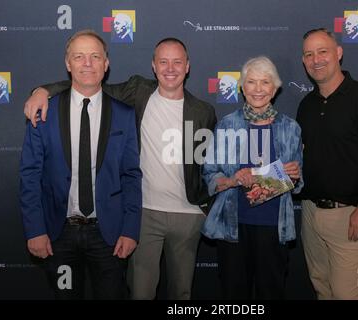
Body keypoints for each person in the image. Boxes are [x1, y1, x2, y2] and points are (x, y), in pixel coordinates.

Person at [24, 37, 216, 300]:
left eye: (177, 62)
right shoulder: (135, 93)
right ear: (153, 65)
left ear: (188, 66)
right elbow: (86, 82)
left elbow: (204, 165)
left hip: (121, 228)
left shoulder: (202, 111)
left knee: (178, 294)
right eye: (163, 62)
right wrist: (41, 90)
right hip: (70, 229)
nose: (170, 68)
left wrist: (206, 205)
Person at [19, 30, 142, 299]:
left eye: (95, 56)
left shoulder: (124, 114)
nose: (87, 63)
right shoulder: (44, 112)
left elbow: (131, 175)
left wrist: (131, 229)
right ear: (68, 63)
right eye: (79, 56)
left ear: (106, 64)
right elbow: (30, 175)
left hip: (108, 235)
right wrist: (35, 229)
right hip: (58, 234)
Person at [296, 28, 358, 300]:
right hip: (311, 212)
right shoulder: (306, 105)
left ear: (339, 53)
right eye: (309, 54)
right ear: (304, 62)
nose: (316, 59)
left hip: (351, 215)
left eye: (323, 51)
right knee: (322, 288)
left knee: (346, 294)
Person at [202, 56, 303, 299]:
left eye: (265, 83)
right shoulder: (228, 125)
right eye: (251, 82)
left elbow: (299, 184)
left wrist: (296, 175)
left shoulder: (291, 128)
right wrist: (234, 179)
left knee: (272, 292)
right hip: (234, 227)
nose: (258, 89)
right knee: (234, 295)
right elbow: (210, 175)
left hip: (274, 227)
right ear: (242, 87)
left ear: (275, 88)